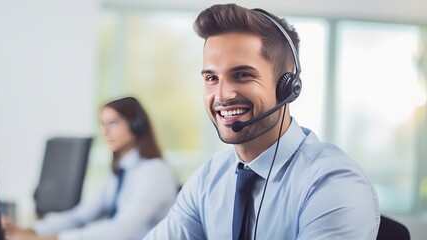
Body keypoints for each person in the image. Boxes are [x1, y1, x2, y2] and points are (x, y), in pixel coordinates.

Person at [144, 4, 380, 240]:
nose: (222, 95)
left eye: (242, 75)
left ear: (287, 87)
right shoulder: (209, 178)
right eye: (212, 78)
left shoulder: (332, 183)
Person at [3, 96, 178, 240]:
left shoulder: (155, 173)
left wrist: (50, 239)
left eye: (113, 123)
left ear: (135, 125)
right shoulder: (121, 171)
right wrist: (31, 230)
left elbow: (122, 231)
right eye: (103, 124)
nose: (105, 132)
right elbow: (81, 215)